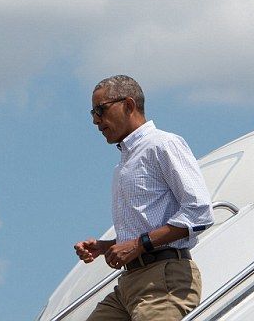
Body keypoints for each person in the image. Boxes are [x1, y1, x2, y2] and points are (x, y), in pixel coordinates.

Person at [74, 74, 213, 321]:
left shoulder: (163, 144)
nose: (96, 120)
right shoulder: (123, 164)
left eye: (101, 110)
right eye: (92, 113)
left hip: (164, 280)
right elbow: (146, 225)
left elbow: (200, 211)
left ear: (128, 105)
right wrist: (106, 247)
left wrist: (138, 244)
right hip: (130, 281)